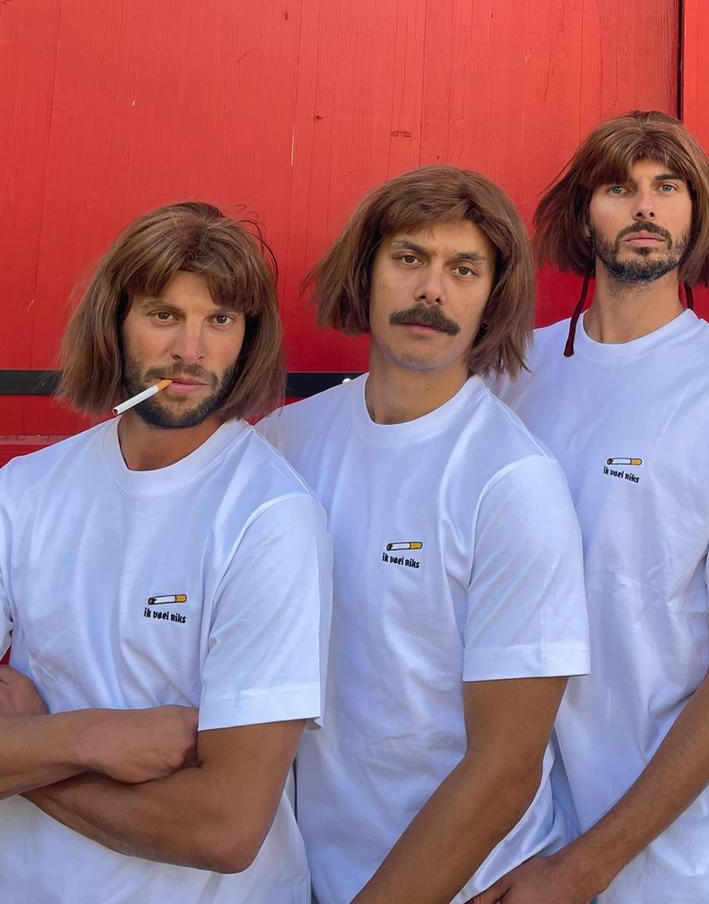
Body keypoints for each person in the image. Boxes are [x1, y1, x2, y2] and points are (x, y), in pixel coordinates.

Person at [479, 110, 709, 904]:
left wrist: (586, 868)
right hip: (512, 845)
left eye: (667, 187)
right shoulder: (512, 374)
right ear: (582, 217)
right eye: (619, 188)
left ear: (696, 216)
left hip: (677, 868)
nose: (644, 206)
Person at [260, 167, 589, 904]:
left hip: (466, 884)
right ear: (366, 272)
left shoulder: (511, 481)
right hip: (309, 877)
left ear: (492, 298)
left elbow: (505, 767)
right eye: (409, 258)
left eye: (463, 269)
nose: (432, 291)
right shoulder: (285, 443)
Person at [0, 201, 331, 904]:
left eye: (220, 320)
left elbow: (224, 829)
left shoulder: (269, 518)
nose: (191, 350)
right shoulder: (23, 492)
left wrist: (27, 751)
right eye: (163, 315)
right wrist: (85, 739)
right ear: (116, 322)